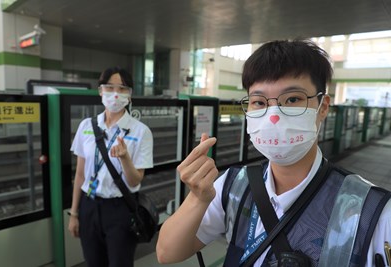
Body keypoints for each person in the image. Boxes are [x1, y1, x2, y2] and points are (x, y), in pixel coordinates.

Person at [156, 40, 391, 266]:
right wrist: (197, 198)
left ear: (323, 107)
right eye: (259, 102)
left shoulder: (373, 211)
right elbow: (168, 253)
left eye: (292, 99)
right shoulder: (233, 185)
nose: (274, 115)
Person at [68, 66, 153, 267]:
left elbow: (135, 180)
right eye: (109, 87)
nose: (115, 94)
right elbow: (80, 175)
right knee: (93, 262)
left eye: (123, 88)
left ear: (130, 95)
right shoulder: (86, 126)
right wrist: (74, 213)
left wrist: (125, 158)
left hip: (120, 209)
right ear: (100, 91)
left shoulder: (141, 131)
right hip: (88, 206)